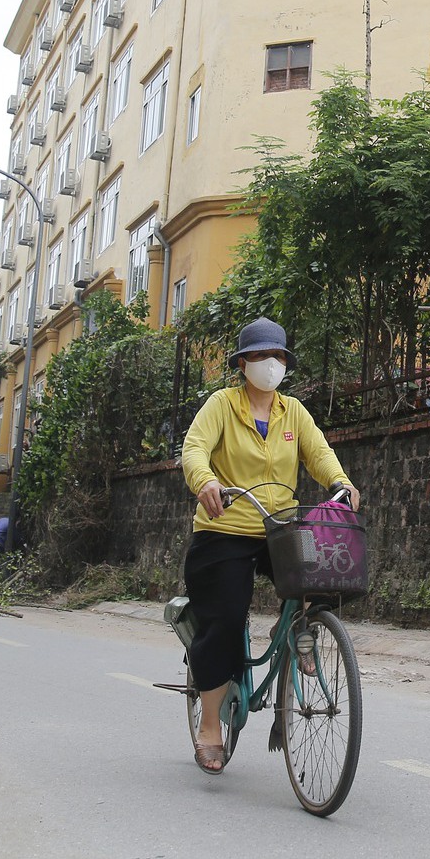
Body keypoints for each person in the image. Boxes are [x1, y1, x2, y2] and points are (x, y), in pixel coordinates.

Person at [179, 317, 360, 776]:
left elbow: (318, 453)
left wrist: (339, 480)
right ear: (243, 364)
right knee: (224, 616)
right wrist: (205, 482)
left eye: (277, 356)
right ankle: (211, 728)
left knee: (323, 572)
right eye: (261, 356)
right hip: (226, 527)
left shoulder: (293, 412)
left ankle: (304, 633)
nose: (271, 364)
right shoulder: (222, 405)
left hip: (278, 527)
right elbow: (194, 449)